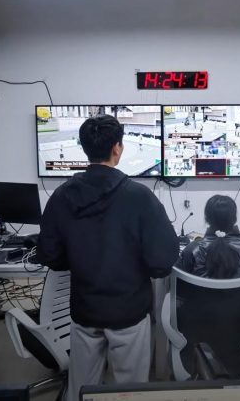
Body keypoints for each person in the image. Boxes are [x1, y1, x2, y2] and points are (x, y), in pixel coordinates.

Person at [38, 114, 178, 401]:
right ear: (117, 148)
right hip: (128, 311)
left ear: (83, 148)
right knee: (130, 391)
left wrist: (79, 260)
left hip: (84, 309)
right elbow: (162, 262)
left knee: (81, 388)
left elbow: (49, 254)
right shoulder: (140, 197)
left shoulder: (62, 196)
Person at [176, 195, 240, 292]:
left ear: (207, 218)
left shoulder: (191, 250)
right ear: (235, 219)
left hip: (197, 302)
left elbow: (178, 287)